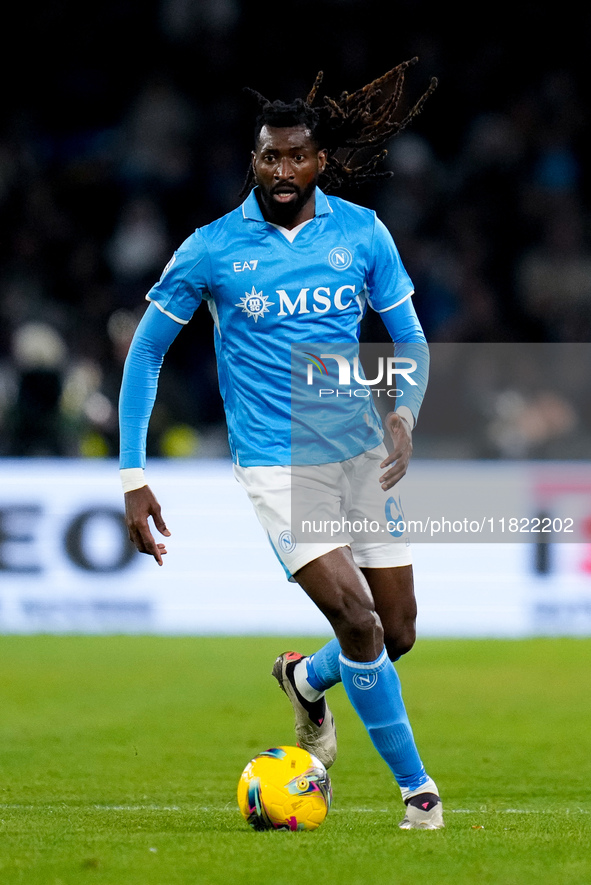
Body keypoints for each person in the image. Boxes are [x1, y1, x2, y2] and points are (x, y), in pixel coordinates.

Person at [119, 59, 443, 829]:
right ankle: (416, 790)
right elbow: (145, 353)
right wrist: (132, 471)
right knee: (358, 620)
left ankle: (304, 680)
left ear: (318, 160)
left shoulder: (361, 232)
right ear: (253, 160)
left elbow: (412, 339)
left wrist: (404, 415)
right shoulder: (212, 249)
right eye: (269, 155)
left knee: (394, 631)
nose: (283, 168)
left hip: (361, 451)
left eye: (297, 155)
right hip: (275, 460)